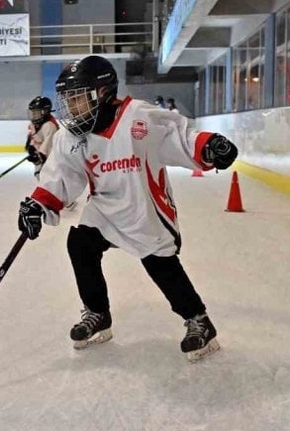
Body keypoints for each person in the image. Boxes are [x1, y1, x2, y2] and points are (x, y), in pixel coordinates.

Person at [15, 55, 238, 362]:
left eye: (78, 98)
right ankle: (98, 313)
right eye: (68, 99)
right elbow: (62, 176)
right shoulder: (71, 136)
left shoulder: (139, 117)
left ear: (104, 93)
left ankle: (198, 320)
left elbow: (179, 136)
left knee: (160, 265)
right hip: (104, 208)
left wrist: (209, 145)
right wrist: (39, 203)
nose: (72, 108)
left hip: (142, 207)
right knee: (79, 244)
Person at [24, 95, 59, 177]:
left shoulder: (49, 126)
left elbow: (48, 147)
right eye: (33, 113)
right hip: (42, 162)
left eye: (36, 112)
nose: (34, 115)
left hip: (51, 162)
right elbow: (33, 137)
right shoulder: (34, 124)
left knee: (47, 181)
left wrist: (39, 157)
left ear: (45, 111)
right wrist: (31, 147)